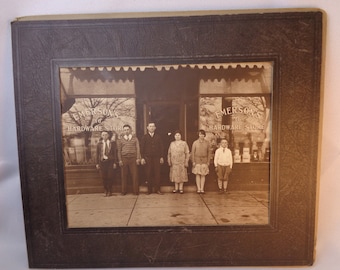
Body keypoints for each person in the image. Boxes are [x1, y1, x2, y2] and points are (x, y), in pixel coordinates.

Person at [140, 122, 164, 195]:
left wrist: (161, 157)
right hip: (148, 158)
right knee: (148, 173)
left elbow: (161, 148)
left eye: (153, 126)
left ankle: (157, 189)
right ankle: (149, 190)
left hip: (157, 158)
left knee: (157, 174)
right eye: (150, 126)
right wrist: (142, 158)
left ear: (155, 128)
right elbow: (142, 148)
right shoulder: (144, 137)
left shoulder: (158, 137)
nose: (152, 128)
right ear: (147, 128)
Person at [117, 124, 141, 195]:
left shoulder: (135, 138)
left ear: (130, 130)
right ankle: (124, 191)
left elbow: (138, 148)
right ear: (123, 131)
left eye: (127, 129)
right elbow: (119, 151)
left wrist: (138, 158)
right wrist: (120, 160)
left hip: (133, 158)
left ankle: (135, 191)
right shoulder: (121, 140)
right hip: (124, 158)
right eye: (125, 130)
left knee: (135, 175)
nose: (126, 131)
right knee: (124, 175)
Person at [96, 131, 117, 197]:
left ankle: (110, 190)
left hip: (110, 162)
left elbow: (115, 153)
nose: (104, 136)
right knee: (103, 177)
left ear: (108, 135)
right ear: (101, 136)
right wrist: (97, 163)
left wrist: (115, 162)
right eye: (103, 135)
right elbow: (97, 154)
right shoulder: (99, 144)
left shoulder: (112, 143)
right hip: (102, 162)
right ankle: (106, 190)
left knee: (110, 176)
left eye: (106, 135)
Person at [191, 129, 211, 194]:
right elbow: (192, 153)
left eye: (202, 134)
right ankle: (198, 189)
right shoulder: (195, 143)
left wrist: (208, 161)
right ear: (198, 135)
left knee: (203, 175)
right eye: (200, 134)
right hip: (197, 160)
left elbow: (209, 153)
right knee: (197, 174)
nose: (201, 136)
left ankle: (202, 189)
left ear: (204, 135)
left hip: (204, 160)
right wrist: (193, 161)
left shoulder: (207, 143)